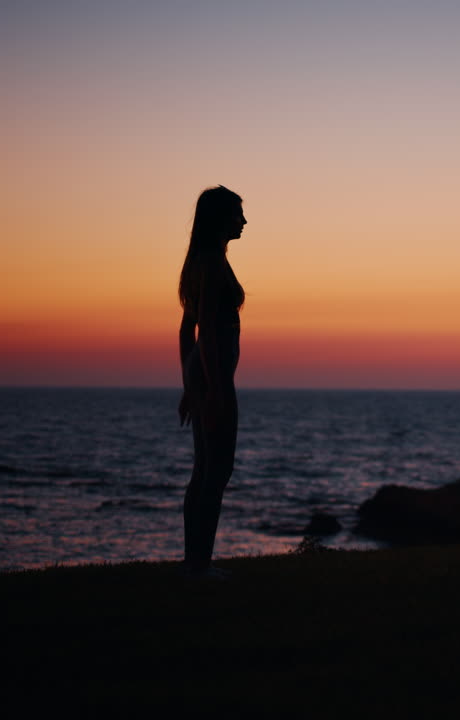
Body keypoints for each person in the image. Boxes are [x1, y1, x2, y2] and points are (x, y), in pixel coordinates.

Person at [177, 185, 247, 580]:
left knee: (204, 469)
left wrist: (189, 384)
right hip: (215, 377)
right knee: (216, 471)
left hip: (203, 376)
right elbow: (203, 331)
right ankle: (199, 563)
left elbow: (187, 331)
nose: (244, 221)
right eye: (238, 214)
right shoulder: (212, 264)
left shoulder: (203, 261)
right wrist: (215, 389)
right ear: (220, 217)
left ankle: (194, 561)